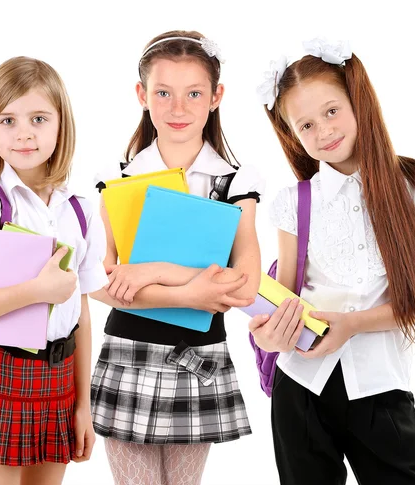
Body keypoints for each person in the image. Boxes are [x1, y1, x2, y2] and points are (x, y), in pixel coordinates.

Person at [249, 38, 415, 485]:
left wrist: (352, 324)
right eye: (305, 124)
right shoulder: (293, 202)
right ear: (292, 134)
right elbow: (283, 296)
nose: (322, 131)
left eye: (331, 111)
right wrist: (267, 330)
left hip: (380, 387)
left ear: (357, 100)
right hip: (300, 386)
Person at [89, 30, 264, 485]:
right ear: (142, 95)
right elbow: (101, 281)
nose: (178, 108)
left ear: (216, 97)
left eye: (193, 93)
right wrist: (195, 291)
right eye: (163, 93)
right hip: (129, 352)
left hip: (198, 356)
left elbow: (245, 284)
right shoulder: (118, 178)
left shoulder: (232, 182)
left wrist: (153, 271)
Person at [0, 56, 108, 485]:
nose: (25, 132)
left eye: (38, 118)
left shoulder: (79, 212)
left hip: (60, 380)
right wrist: (36, 290)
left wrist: (82, 405)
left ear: (59, 126)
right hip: (0, 371)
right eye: (8, 120)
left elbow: (81, 314)